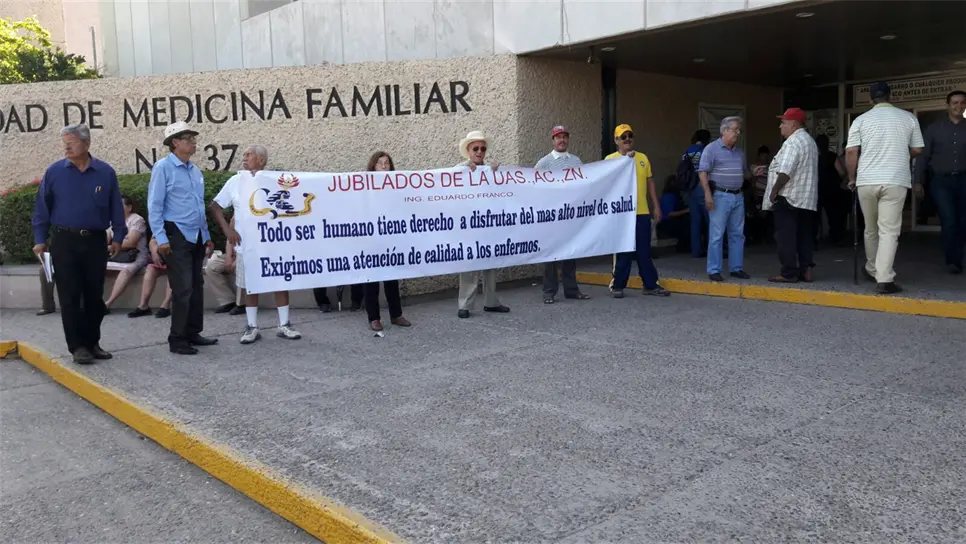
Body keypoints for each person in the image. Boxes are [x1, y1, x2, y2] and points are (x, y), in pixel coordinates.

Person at [31, 123, 126, 364]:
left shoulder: (105, 172)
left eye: (71, 142)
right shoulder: (54, 172)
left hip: (95, 240)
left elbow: (116, 207)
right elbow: (42, 209)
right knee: (70, 295)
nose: (66, 147)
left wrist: (118, 236)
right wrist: (40, 240)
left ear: (86, 143)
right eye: (64, 143)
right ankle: (77, 347)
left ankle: (93, 342)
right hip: (65, 240)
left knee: (94, 295)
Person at [210, 144, 302, 344]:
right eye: (243, 155)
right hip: (248, 245)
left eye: (249, 154)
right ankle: (252, 327)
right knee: (250, 286)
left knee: (280, 283)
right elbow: (215, 207)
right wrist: (228, 231)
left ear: (261, 159)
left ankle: (284, 324)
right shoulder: (236, 181)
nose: (244, 158)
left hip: (274, 244)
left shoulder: (275, 180)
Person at [845, 82, 925, 294]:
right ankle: (884, 278)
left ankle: (872, 268)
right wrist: (901, 155)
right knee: (889, 231)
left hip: (866, 180)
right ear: (891, 96)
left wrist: (851, 178)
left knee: (870, 229)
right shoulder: (908, 118)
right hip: (895, 180)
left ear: (870, 99)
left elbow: (851, 152)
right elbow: (918, 149)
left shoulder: (861, 120)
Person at [148, 121, 217, 354]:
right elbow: (155, 205)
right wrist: (161, 238)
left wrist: (206, 236)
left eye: (194, 139)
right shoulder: (163, 167)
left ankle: (193, 332)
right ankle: (177, 339)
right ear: (175, 143)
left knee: (196, 285)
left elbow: (199, 206)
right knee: (183, 288)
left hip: (195, 234)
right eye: (188, 139)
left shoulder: (194, 170)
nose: (194, 143)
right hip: (175, 233)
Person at [606, 123, 669, 298]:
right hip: (622, 213)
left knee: (644, 251)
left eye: (630, 136)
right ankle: (618, 284)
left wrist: (656, 205)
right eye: (623, 137)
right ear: (616, 140)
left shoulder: (642, 158)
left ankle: (650, 284)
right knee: (624, 251)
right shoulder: (610, 159)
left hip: (641, 211)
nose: (627, 139)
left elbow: (650, 183)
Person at [455, 130, 510, 318]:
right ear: (468, 151)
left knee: (491, 265)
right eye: (476, 148)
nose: (480, 152)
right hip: (469, 226)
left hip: (488, 224)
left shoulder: (490, 170)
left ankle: (491, 302)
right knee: (469, 266)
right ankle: (465, 305)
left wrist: (497, 174)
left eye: (483, 149)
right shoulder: (459, 170)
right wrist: (464, 172)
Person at [534, 125, 591, 304]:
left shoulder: (576, 161)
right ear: (553, 140)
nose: (562, 140)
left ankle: (571, 290)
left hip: (570, 215)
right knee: (551, 256)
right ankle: (549, 292)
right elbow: (533, 186)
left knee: (570, 254)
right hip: (552, 216)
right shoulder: (544, 163)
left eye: (565, 137)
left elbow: (583, 184)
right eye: (558, 137)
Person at [763, 108, 820, 283]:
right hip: (806, 198)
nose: (780, 126)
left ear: (794, 124)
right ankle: (806, 269)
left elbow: (786, 171)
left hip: (789, 197)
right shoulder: (809, 141)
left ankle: (789, 273)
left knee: (785, 237)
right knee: (804, 236)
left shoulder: (792, 142)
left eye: (783, 123)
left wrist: (774, 190)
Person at [915, 90, 966, 274]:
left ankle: (957, 256)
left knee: (962, 222)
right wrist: (917, 181)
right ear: (948, 105)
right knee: (949, 219)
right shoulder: (934, 129)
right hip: (941, 181)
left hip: (964, 180)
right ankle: (953, 260)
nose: (959, 106)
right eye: (955, 103)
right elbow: (923, 157)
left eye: (962, 103)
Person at [362, 151, 413, 331]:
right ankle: (374, 318)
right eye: (379, 163)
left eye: (387, 163)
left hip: (390, 236)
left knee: (392, 278)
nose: (384, 166)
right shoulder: (364, 186)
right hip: (371, 237)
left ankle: (396, 314)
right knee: (372, 279)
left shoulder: (396, 186)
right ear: (373, 166)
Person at [698, 116, 754, 282]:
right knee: (717, 234)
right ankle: (714, 269)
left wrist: (753, 172)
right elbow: (703, 172)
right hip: (720, 196)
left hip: (738, 195)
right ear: (725, 130)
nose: (738, 133)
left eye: (739, 130)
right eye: (735, 129)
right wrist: (707, 194)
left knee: (737, 234)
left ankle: (736, 268)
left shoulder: (740, 152)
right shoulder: (711, 149)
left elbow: (745, 174)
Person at [104, 194, 149, 313]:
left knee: (126, 271)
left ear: (129, 207)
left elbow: (131, 243)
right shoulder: (112, 220)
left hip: (136, 255)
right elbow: (105, 239)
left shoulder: (137, 220)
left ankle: (107, 304)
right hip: (116, 255)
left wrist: (110, 247)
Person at [204, 215, 247, 314]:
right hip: (234, 254)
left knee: (241, 267)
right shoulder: (237, 215)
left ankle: (241, 304)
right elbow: (230, 238)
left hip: (247, 256)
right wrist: (228, 257)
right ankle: (227, 301)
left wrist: (238, 260)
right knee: (211, 265)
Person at [815, 134, 850, 245]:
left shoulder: (813, 157)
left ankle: (813, 240)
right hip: (832, 189)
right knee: (834, 215)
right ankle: (836, 238)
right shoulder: (832, 156)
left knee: (814, 216)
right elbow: (842, 172)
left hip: (816, 189)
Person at [127, 237, 173, 318]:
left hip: (178, 260)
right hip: (163, 258)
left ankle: (165, 306)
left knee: (174, 272)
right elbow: (153, 240)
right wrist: (154, 253)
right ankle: (143, 305)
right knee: (151, 270)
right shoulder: (162, 228)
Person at [682, 130, 711, 258]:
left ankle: (696, 250)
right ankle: (712, 250)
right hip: (702, 186)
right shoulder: (706, 150)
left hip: (690, 187)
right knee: (711, 220)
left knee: (695, 221)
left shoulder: (687, 151)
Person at [657, 176, 690, 252]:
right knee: (686, 225)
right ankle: (682, 247)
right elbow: (670, 214)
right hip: (666, 224)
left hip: (671, 221)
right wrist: (686, 211)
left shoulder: (675, 196)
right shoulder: (668, 196)